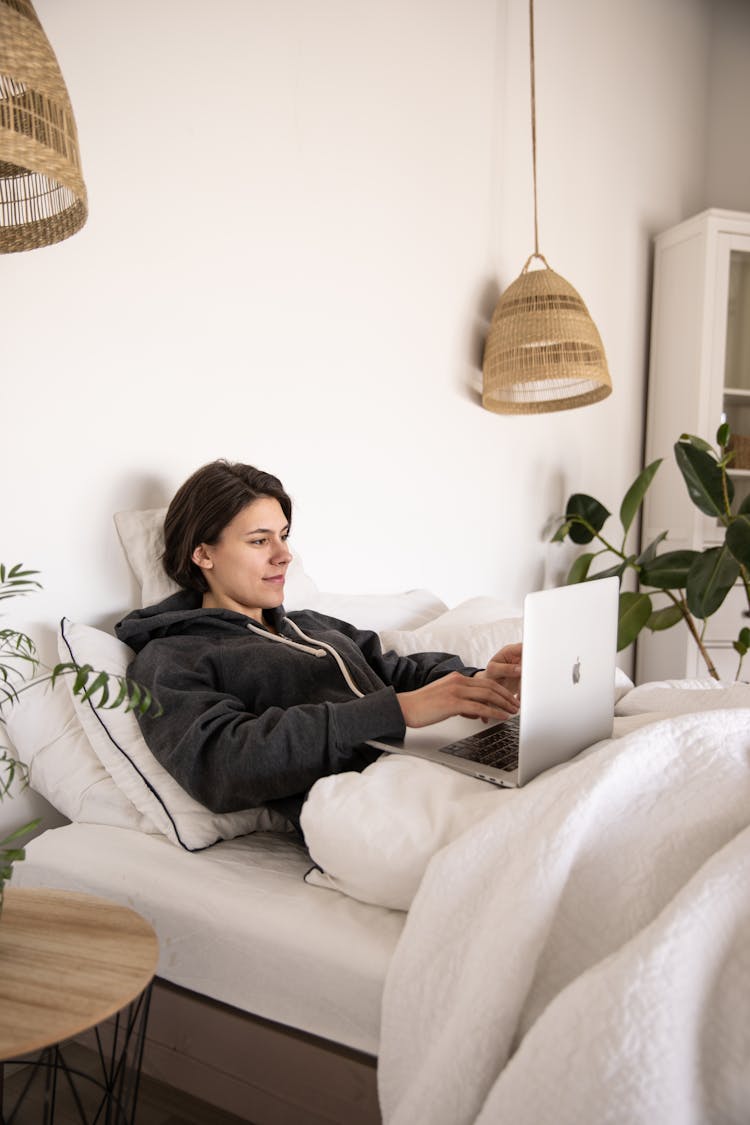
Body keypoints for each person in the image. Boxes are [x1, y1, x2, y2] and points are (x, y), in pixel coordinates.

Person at [116, 461, 522, 829]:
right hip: (364, 809)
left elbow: (402, 671)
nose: (284, 555)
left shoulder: (310, 626)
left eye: (284, 536)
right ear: (203, 554)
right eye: (260, 541)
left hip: (432, 770)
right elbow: (221, 765)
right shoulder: (172, 655)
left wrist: (484, 681)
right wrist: (397, 710)